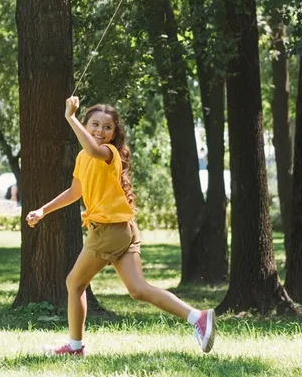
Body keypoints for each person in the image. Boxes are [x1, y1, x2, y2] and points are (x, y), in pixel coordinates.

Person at [26, 96, 216, 356]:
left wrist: (69, 117)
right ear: (87, 124)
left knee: (74, 283)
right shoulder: (83, 157)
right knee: (138, 290)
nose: (99, 131)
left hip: (108, 231)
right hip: (122, 229)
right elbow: (74, 192)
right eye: (94, 124)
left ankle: (75, 347)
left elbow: (94, 149)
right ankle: (198, 317)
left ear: (114, 134)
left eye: (107, 128)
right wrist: (43, 210)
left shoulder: (107, 153)